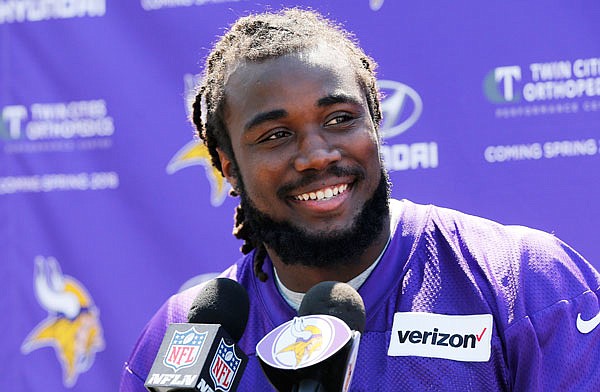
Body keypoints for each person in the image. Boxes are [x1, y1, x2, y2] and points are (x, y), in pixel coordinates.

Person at [120, 8, 600, 391]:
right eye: (276, 134)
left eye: (339, 119)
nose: (315, 155)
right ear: (228, 166)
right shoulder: (183, 339)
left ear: (375, 124)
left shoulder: (525, 283)